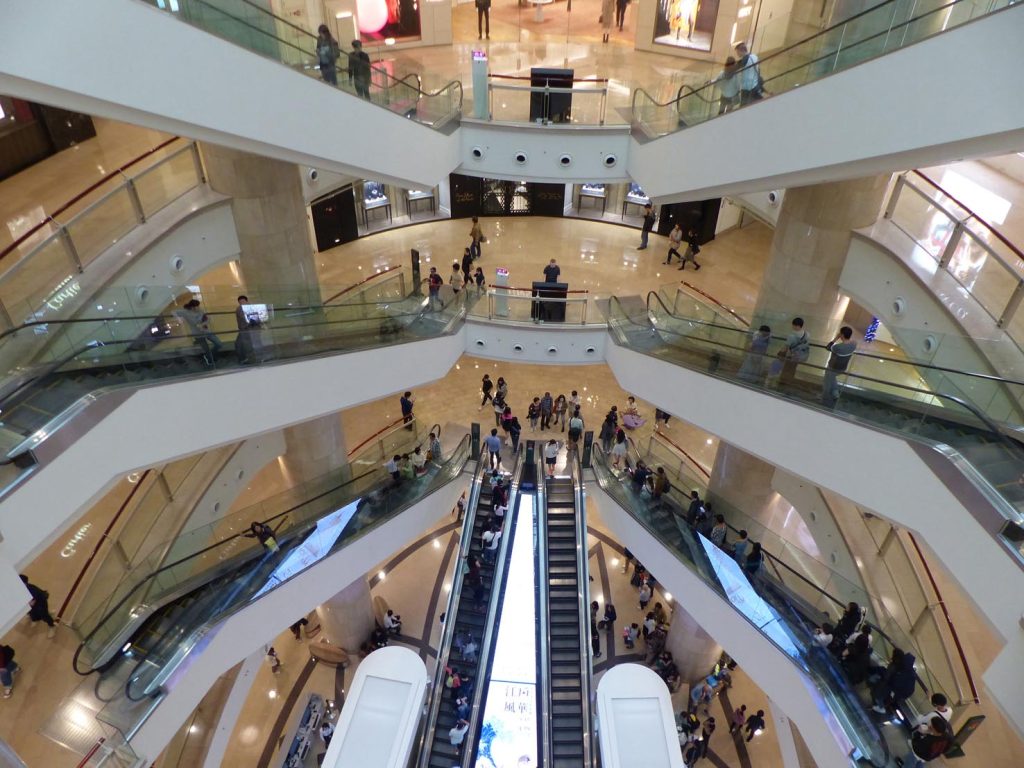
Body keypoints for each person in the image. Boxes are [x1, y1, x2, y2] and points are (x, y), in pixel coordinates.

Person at [174, 299, 222, 363]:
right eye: (197, 306)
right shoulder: (185, 312)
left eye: (198, 306)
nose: (198, 307)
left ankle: (210, 355)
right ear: (192, 307)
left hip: (206, 331)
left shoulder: (200, 310)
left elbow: (207, 319)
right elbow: (174, 312)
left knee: (219, 344)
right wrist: (178, 318)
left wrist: (203, 324)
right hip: (197, 334)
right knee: (206, 350)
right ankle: (210, 359)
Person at [871, 648, 917, 714]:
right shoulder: (906, 671)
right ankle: (880, 703)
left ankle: (881, 706)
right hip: (899, 691)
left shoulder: (904, 672)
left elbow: (895, 683)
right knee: (883, 686)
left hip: (898, 693)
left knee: (884, 689)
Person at [823, 325, 857, 407]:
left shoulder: (838, 347)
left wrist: (836, 338)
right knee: (832, 379)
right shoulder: (854, 344)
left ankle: (825, 399)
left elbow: (828, 347)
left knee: (827, 383)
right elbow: (852, 341)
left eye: (840, 333)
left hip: (833, 368)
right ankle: (836, 394)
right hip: (842, 368)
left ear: (842, 335)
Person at [776, 317, 810, 387]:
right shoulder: (807, 334)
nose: (792, 327)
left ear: (795, 325)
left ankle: (782, 383)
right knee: (793, 369)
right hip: (799, 356)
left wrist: (779, 353)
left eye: (793, 325)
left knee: (786, 369)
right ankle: (789, 382)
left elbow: (785, 347)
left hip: (791, 356)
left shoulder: (791, 336)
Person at [234, 294, 259, 364]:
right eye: (240, 302)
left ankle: (247, 359)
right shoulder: (241, 308)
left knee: (242, 344)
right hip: (246, 329)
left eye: (243, 301)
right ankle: (246, 359)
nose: (242, 303)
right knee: (240, 344)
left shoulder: (246, 308)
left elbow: (249, 318)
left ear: (247, 301)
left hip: (246, 330)